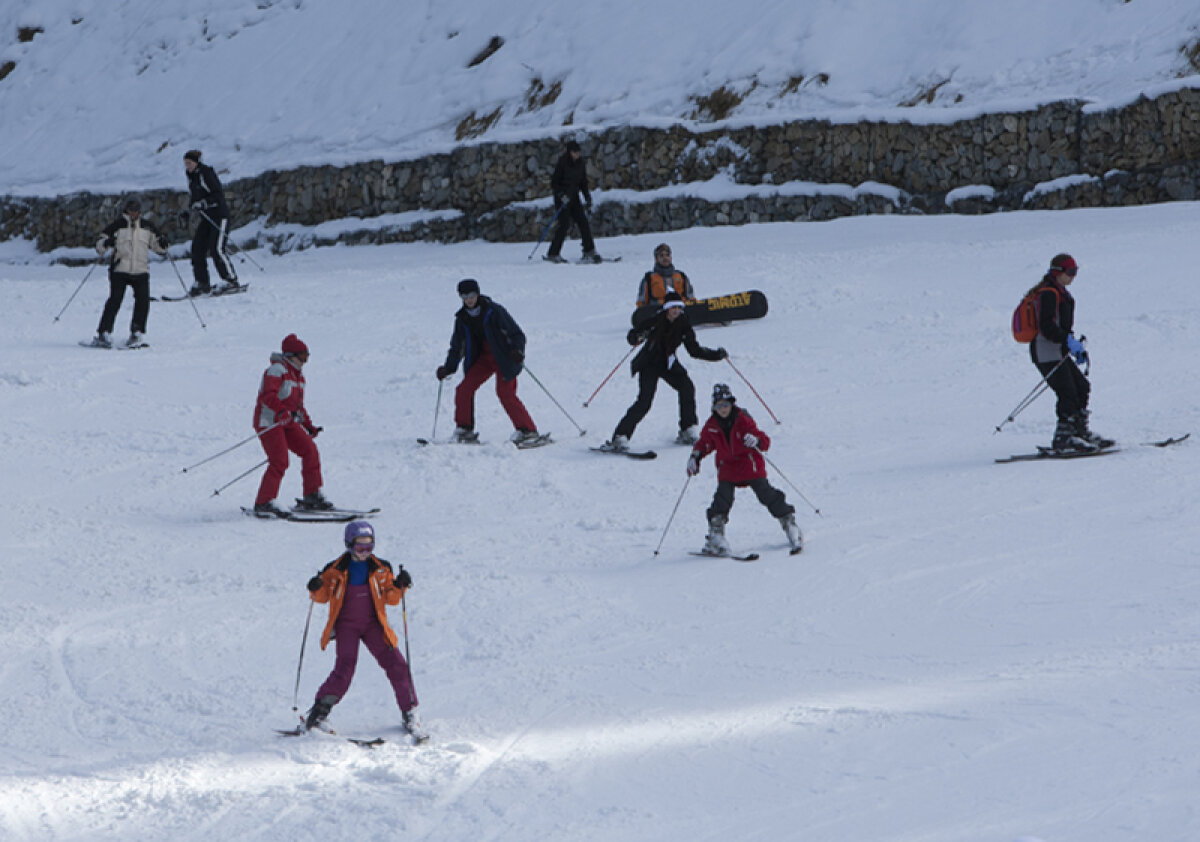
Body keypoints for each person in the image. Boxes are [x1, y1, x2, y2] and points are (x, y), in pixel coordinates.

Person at [304, 520, 427, 742]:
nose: (365, 552)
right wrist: (315, 587)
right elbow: (321, 597)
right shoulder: (335, 569)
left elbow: (391, 599)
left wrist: (401, 585)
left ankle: (410, 712)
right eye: (360, 547)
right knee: (344, 669)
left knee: (397, 664)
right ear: (349, 545)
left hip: (373, 625)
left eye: (369, 547)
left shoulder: (381, 568)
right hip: (346, 626)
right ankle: (319, 713)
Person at [602, 291, 726, 451]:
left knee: (687, 388)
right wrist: (640, 335)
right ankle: (620, 437)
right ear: (667, 308)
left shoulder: (683, 323)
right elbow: (632, 337)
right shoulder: (655, 320)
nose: (676, 311)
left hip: (668, 364)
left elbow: (694, 350)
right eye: (673, 307)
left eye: (679, 307)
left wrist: (716, 355)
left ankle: (687, 429)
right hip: (649, 364)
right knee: (644, 401)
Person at [687, 383, 802, 554]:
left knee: (765, 493)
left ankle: (789, 523)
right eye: (719, 405)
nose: (723, 409)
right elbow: (704, 443)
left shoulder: (743, 419)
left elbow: (764, 440)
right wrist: (695, 456)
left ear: (732, 403)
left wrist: (756, 441)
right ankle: (716, 535)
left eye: (726, 404)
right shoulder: (712, 425)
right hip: (728, 467)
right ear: (714, 407)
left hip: (749, 464)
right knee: (722, 497)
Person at [436, 278, 542, 445]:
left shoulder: (494, 311)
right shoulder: (462, 318)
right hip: (483, 359)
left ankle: (528, 430)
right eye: (464, 296)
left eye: (471, 295)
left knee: (504, 392)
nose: (469, 299)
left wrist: (517, 351)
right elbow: (457, 346)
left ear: (477, 294)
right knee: (463, 389)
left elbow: (517, 334)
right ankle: (464, 430)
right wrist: (448, 368)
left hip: (505, 357)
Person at [1029, 253, 1112, 452]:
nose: (1074, 276)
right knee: (1068, 392)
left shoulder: (1060, 292)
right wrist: (1067, 340)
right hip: (1046, 351)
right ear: (1058, 273)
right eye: (1071, 272)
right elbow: (1046, 326)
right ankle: (1064, 439)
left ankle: (1079, 433)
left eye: (1076, 272)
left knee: (1081, 387)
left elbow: (1060, 325)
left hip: (1057, 351)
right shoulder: (1049, 293)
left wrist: (1072, 344)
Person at [252, 333, 333, 516]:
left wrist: (309, 426)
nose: (305, 361)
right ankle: (264, 502)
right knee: (279, 461)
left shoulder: (298, 377)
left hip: (287, 422)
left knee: (310, 450)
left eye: (307, 356)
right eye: (303, 356)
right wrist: (280, 412)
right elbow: (268, 395)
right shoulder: (276, 370)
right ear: (291, 356)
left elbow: (298, 407)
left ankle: (312, 495)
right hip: (269, 422)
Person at [90, 198, 167, 348]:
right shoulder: (117, 226)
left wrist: (163, 244)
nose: (133, 213)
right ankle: (104, 332)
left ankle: (136, 332)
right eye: (131, 210)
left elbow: (160, 248)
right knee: (115, 300)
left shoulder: (147, 227)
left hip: (141, 270)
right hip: (120, 269)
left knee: (143, 301)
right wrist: (106, 243)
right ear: (126, 210)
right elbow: (99, 244)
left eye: (136, 210)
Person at [183, 149, 239, 296]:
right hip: (206, 218)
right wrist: (188, 210)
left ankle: (231, 280)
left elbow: (218, 195)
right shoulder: (191, 176)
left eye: (189, 163)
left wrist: (204, 203)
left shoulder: (206, 173)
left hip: (220, 216)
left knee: (217, 249)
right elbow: (194, 197)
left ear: (196, 162)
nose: (187, 166)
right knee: (197, 249)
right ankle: (201, 282)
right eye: (185, 163)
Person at [544, 140, 603, 264]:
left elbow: (583, 182)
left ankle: (589, 250)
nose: (577, 155)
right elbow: (554, 182)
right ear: (569, 152)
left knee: (583, 222)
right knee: (564, 224)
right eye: (574, 152)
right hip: (562, 198)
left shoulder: (580, 163)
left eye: (578, 152)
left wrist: (587, 197)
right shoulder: (562, 162)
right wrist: (561, 195)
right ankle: (553, 253)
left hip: (574, 197)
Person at [635, 243, 696, 308]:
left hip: (680, 313)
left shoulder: (681, 276)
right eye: (661, 255)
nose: (665, 258)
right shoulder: (649, 278)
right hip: (657, 313)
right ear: (656, 259)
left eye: (667, 255)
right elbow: (641, 303)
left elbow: (691, 299)